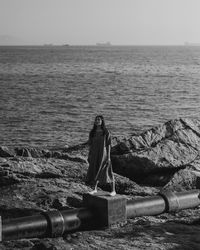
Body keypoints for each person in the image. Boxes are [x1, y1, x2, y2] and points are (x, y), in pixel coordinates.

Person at [85, 115, 116, 196]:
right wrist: (89, 155)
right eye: (96, 120)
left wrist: (108, 157)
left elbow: (109, 145)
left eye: (99, 120)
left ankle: (113, 190)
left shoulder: (106, 132)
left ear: (102, 121)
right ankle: (94, 189)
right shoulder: (92, 132)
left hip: (104, 154)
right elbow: (90, 145)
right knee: (95, 170)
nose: (97, 121)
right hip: (95, 154)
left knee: (108, 171)